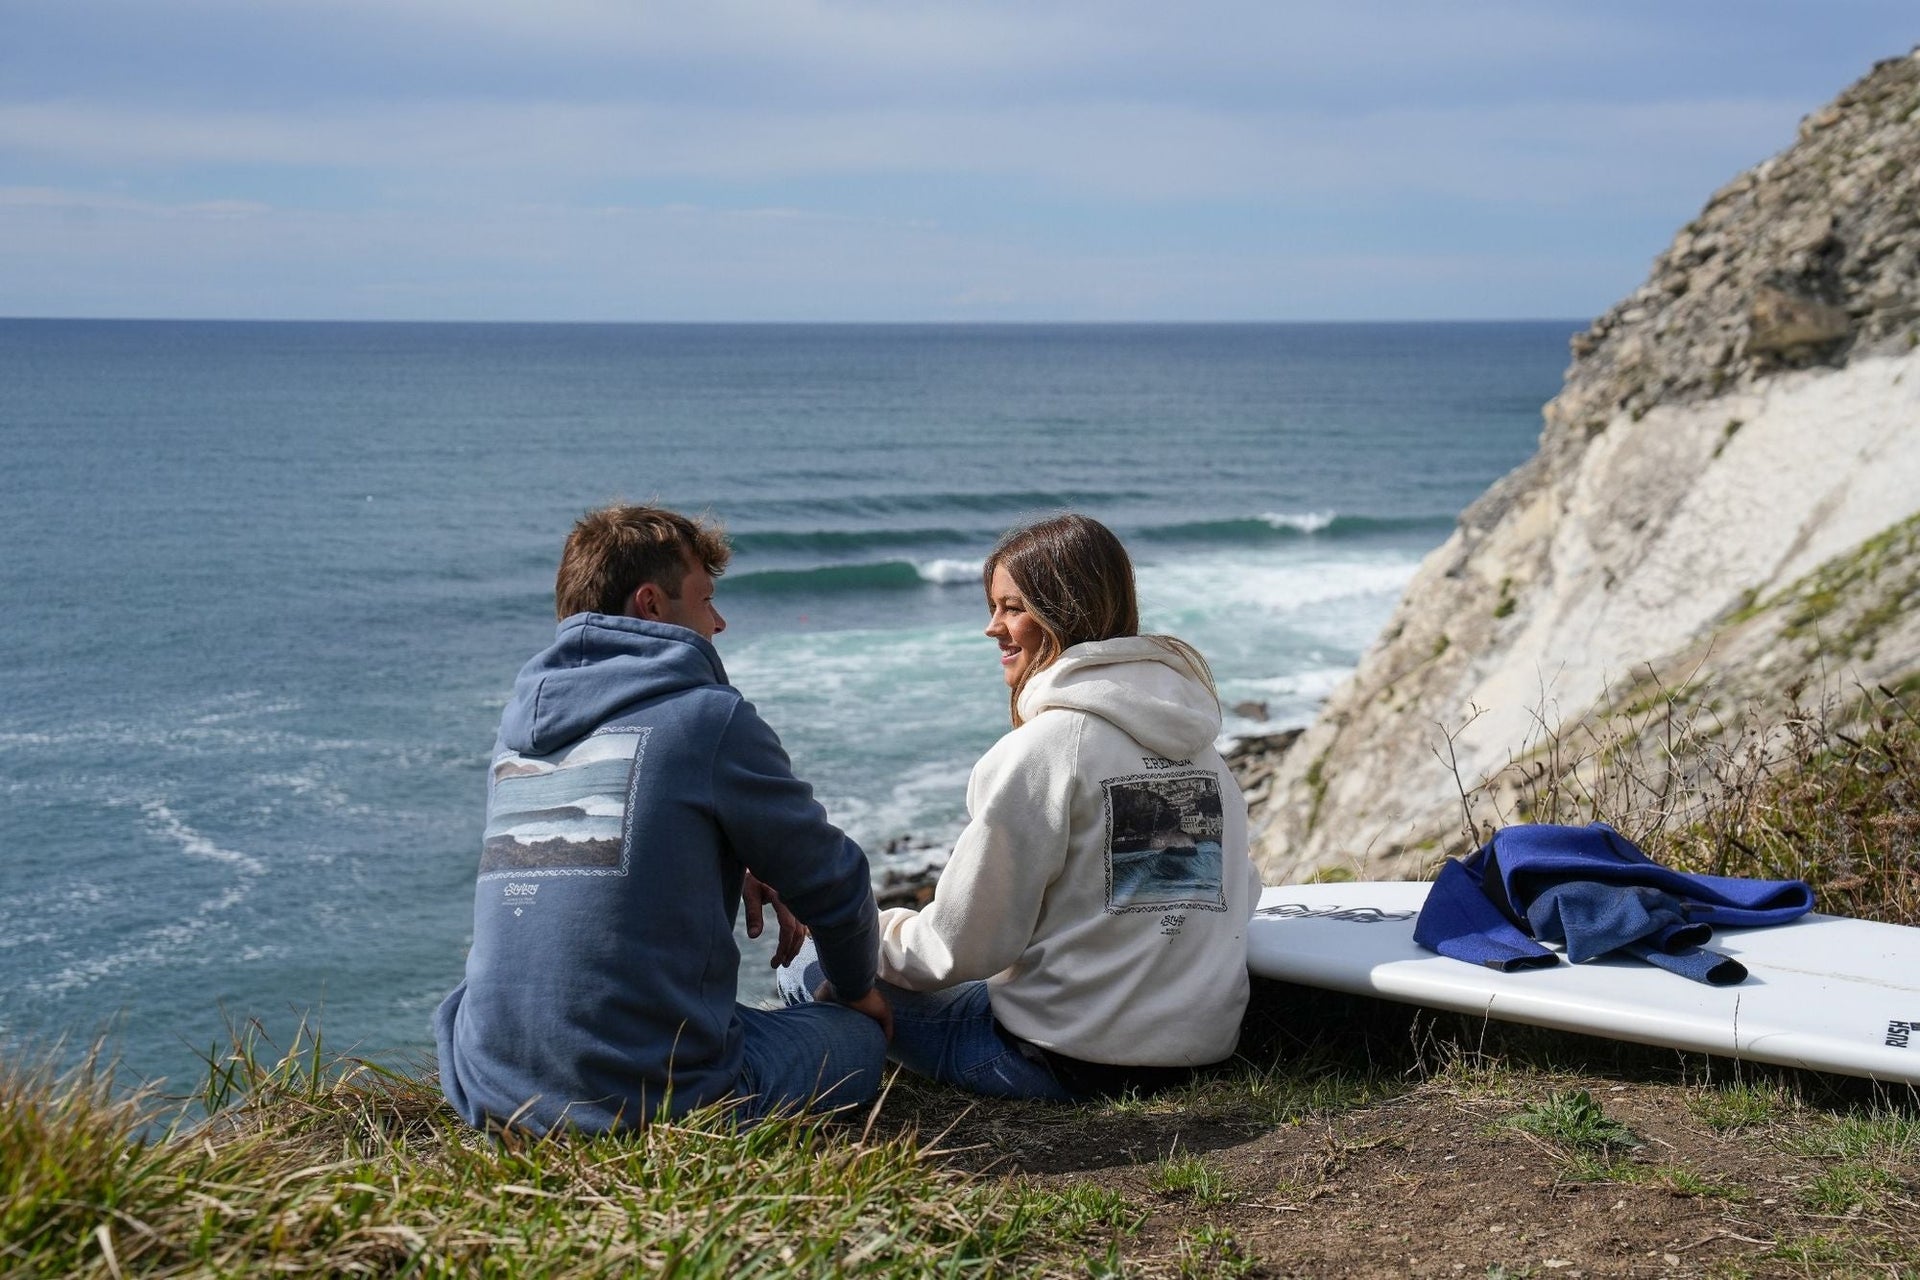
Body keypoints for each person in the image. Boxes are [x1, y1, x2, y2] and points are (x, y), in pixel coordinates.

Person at [435, 503, 891, 1134]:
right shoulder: (708, 717)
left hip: (491, 1087)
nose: (720, 622)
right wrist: (854, 988)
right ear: (651, 605)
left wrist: (731, 856)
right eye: (706, 599)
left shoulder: (517, 732)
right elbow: (835, 879)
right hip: (648, 1099)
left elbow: (591, 841)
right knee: (856, 1038)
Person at [783, 513, 1259, 1100]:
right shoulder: (1204, 752)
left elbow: (961, 948)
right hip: (1199, 1053)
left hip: (1061, 1064)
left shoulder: (1044, 750)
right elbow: (1243, 893)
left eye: (1012, 608)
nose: (993, 628)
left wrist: (863, 932)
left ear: (1065, 611)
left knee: (806, 962)